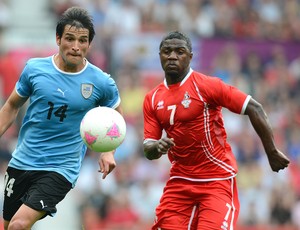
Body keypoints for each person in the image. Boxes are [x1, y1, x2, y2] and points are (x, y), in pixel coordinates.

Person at [142, 31, 290, 230]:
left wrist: (271, 151)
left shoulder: (207, 86)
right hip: (180, 182)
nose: (172, 56)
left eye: (180, 51)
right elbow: (148, 148)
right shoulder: (152, 98)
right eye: (167, 51)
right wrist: (156, 147)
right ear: (159, 55)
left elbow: (254, 108)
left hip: (216, 180)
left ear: (190, 57)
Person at [0, 6, 122, 230]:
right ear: (58, 38)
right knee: (7, 226)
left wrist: (108, 150)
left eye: (83, 40)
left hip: (61, 168)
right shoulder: (35, 69)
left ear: (89, 44)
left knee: (18, 225)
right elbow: (11, 105)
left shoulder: (101, 82)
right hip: (22, 161)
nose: (76, 47)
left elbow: (115, 116)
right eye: (70, 39)